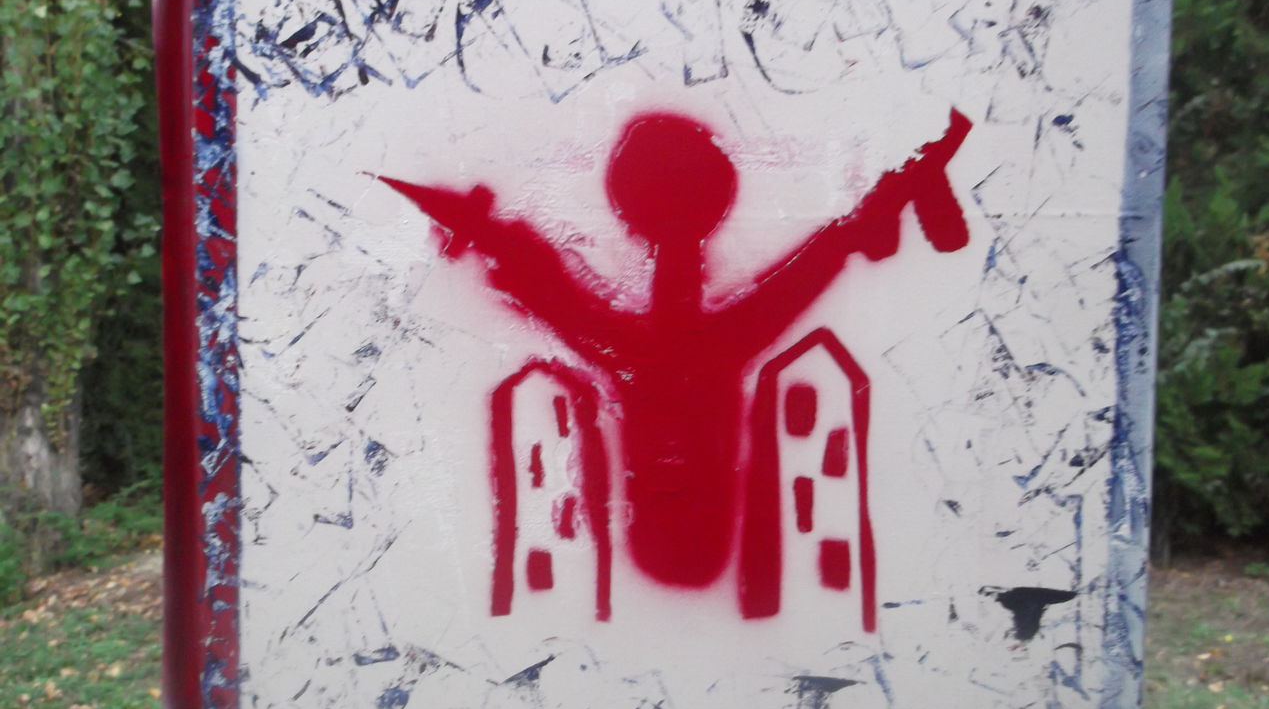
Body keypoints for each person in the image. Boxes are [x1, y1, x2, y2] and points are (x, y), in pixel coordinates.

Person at [377, 108, 972, 589]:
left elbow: (557, 301)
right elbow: (802, 278)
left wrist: (489, 237)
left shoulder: (643, 352)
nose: (669, 469)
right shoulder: (679, 350)